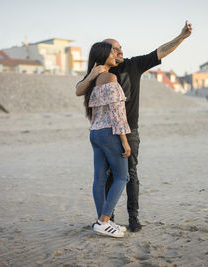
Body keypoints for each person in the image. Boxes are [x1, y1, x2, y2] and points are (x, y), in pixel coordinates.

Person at [76, 20, 193, 232]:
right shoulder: (101, 73)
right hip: (113, 133)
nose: (120, 51)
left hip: (124, 132)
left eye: (120, 48)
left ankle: (132, 218)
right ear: (105, 52)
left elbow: (161, 51)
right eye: (115, 49)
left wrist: (181, 37)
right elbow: (80, 89)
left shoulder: (133, 65)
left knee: (129, 175)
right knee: (113, 176)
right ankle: (106, 218)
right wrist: (92, 75)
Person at [81, 42, 131, 238]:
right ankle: (104, 221)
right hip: (110, 133)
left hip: (95, 133)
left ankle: (102, 221)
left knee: (99, 179)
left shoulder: (96, 80)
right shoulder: (110, 77)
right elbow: (117, 114)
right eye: (111, 52)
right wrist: (125, 142)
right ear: (102, 55)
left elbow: (95, 111)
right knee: (121, 176)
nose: (115, 54)